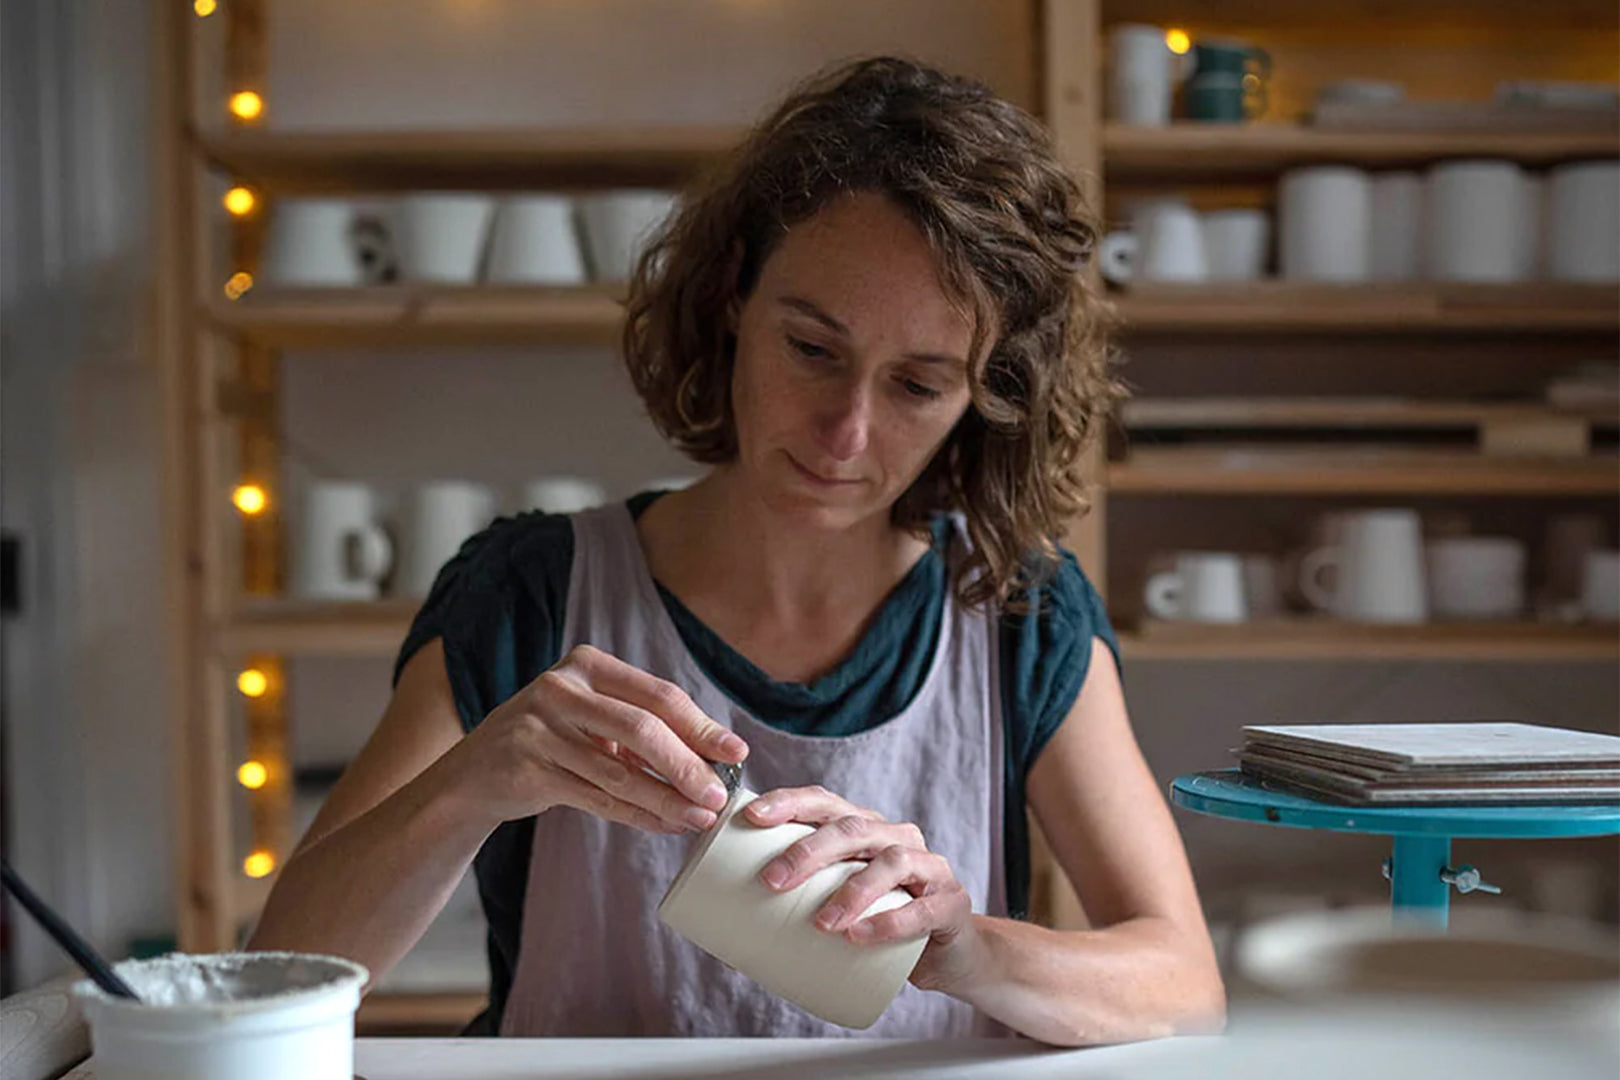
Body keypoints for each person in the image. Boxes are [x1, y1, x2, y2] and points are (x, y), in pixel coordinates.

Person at [248, 55, 1226, 1046]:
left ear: (986, 396)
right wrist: (471, 786)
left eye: (917, 385)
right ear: (731, 300)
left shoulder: (1020, 611)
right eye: (812, 349)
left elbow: (1184, 985)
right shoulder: (533, 594)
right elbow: (285, 973)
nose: (846, 433)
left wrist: (968, 949)